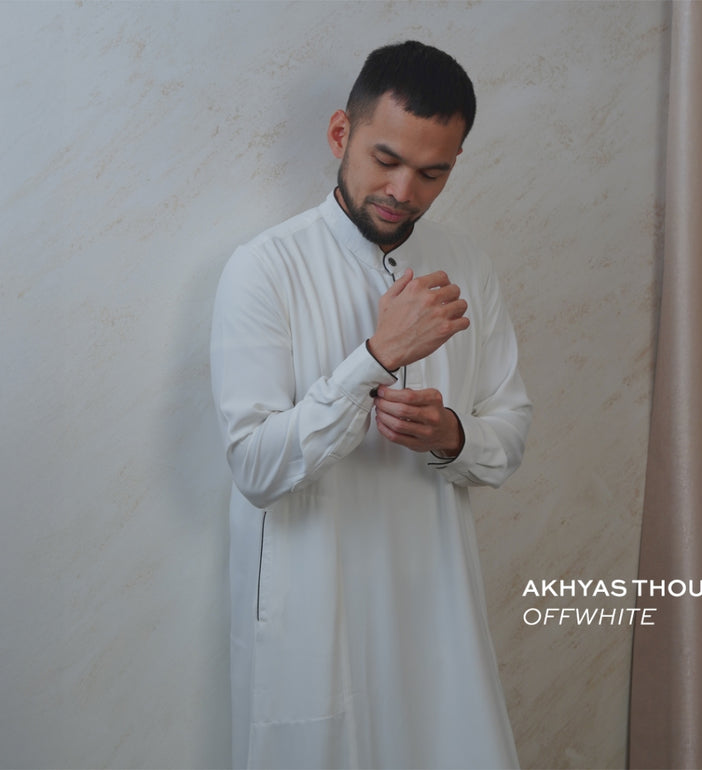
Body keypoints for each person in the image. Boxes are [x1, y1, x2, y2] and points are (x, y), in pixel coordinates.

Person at [210, 40, 532, 770]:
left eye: (431, 173)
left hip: (436, 606)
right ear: (340, 133)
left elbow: (509, 432)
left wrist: (450, 434)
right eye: (385, 159)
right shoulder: (265, 269)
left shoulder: (466, 266)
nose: (403, 190)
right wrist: (375, 359)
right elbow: (255, 468)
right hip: (316, 615)